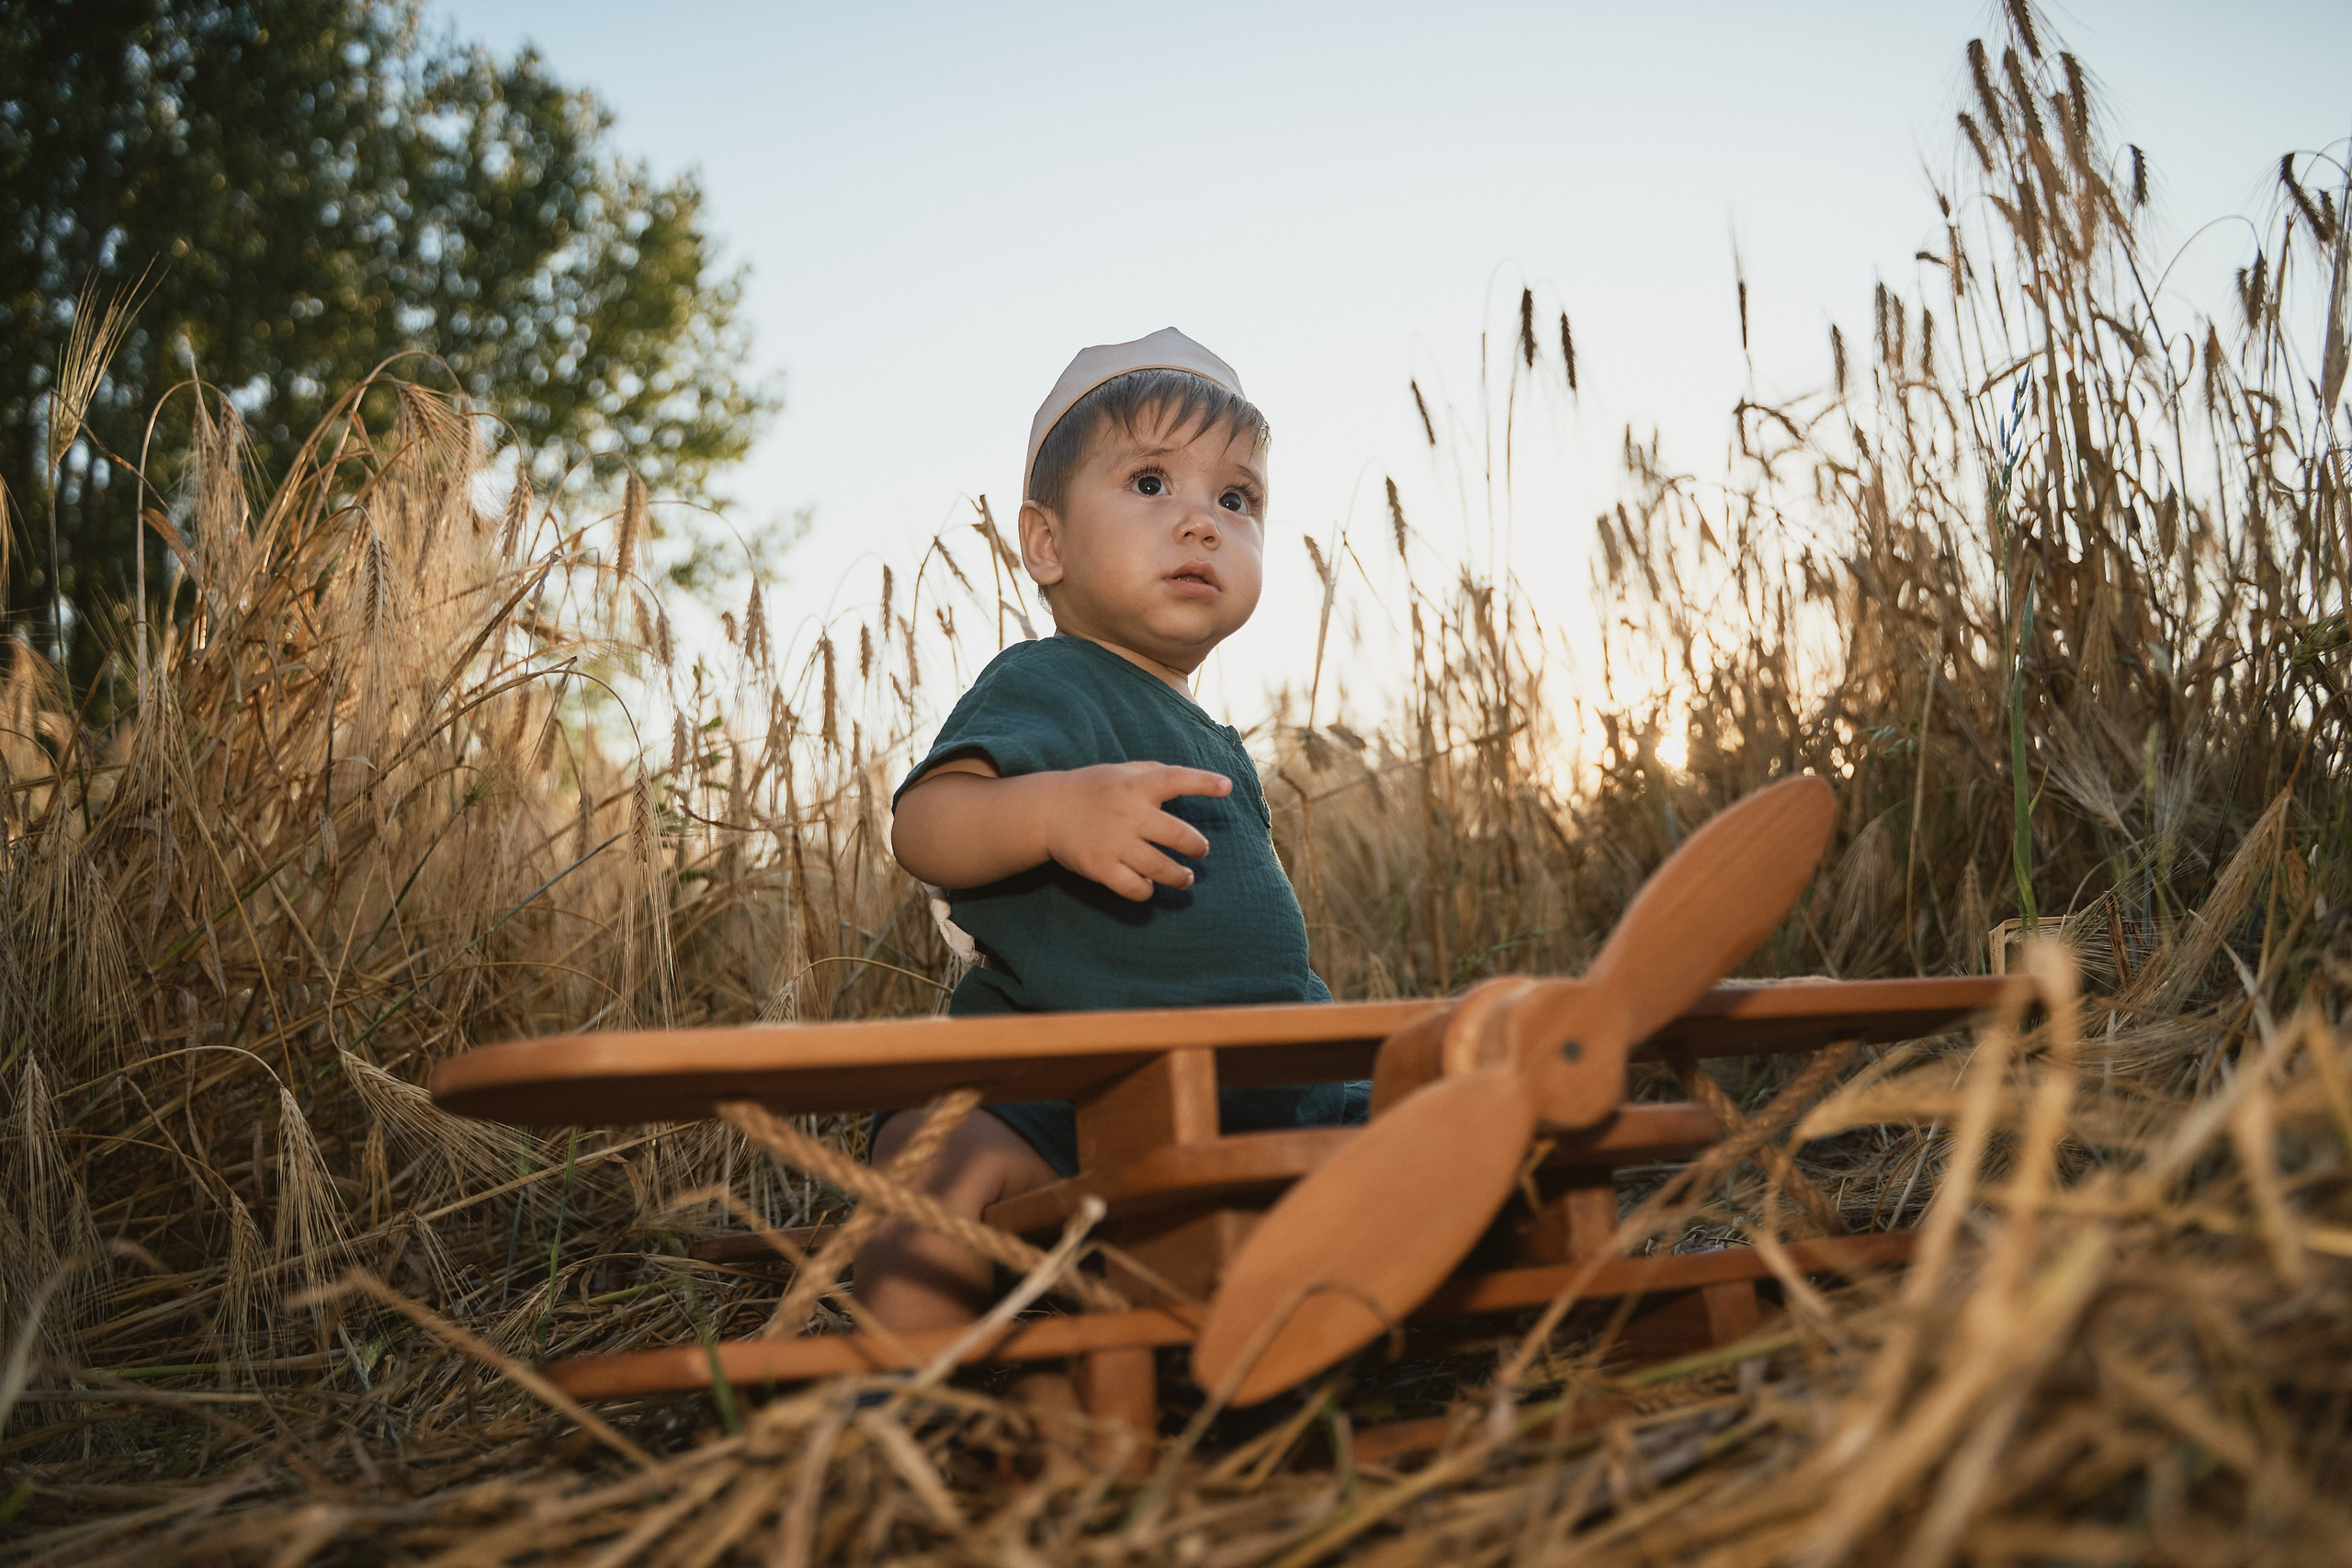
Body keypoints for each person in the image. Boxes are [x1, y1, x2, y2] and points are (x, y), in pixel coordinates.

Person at [854, 329, 1363, 1333]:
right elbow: (926, 825)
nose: (1200, 525)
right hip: (1066, 1088)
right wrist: (1048, 810)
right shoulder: (1048, 681)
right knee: (934, 1159)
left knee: (1456, 1090)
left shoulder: (1208, 732)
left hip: (1266, 1081)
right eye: (1148, 484)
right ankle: (899, 1396)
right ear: (1045, 543)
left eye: (1235, 500)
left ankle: (1392, 1285)